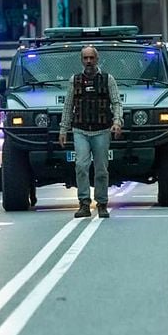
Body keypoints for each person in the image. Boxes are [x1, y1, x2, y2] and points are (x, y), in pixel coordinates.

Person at [58, 45, 123, 219]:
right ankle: (84, 203)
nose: (88, 61)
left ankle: (102, 204)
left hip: (102, 130)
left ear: (97, 59)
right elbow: (68, 106)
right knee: (81, 165)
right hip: (80, 130)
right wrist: (63, 129)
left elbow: (116, 102)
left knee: (101, 169)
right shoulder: (75, 80)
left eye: (91, 58)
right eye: (85, 58)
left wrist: (117, 121)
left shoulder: (108, 79)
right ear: (81, 60)